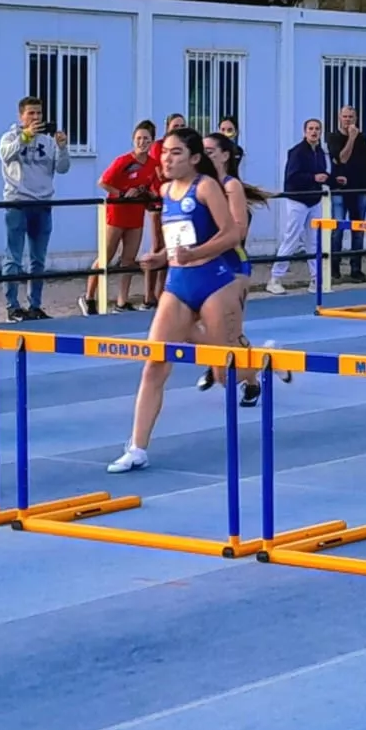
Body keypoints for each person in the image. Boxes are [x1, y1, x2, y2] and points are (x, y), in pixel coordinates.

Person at [107, 127, 246, 474]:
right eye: (165, 152)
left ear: (194, 158)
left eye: (176, 153)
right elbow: (175, 243)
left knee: (224, 372)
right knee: (154, 362)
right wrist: (160, 258)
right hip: (178, 284)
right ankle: (137, 448)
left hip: (214, 281)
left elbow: (231, 234)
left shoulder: (207, 186)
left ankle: (260, 368)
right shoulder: (165, 190)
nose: (167, 160)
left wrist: (195, 253)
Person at [195, 131, 277, 406]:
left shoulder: (231, 186)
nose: (204, 156)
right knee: (198, 323)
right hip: (206, 263)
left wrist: (211, 238)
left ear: (225, 156)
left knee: (231, 331)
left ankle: (253, 375)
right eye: (202, 151)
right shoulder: (200, 184)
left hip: (232, 265)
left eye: (210, 151)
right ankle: (223, 362)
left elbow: (238, 230)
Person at [0, 95, 70, 321]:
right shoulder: (10, 137)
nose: (36, 117)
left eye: (39, 113)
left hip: (43, 204)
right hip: (17, 203)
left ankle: (35, 306)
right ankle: (12, 307)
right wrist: (24, 137)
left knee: (38, 260)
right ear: (21, 116)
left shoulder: (48, 141)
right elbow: (5, 155)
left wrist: (62, 148)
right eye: (31, 113)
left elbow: (62, 168)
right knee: (14, 258)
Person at [84, 121, 160, 314]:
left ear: (152, 141)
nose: (142, 142)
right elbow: (103, 182)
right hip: (117, 214)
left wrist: (148, 195)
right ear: (133, 140)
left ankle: (122, 301)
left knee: (129, 259)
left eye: (146, 139)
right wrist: (122, 193)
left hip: (136, 215)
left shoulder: (153, 165)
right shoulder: (123, 161)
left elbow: (151, 187)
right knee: (106, 257)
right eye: (139, 138)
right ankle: (89, 298)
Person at [267, 118, 330, 294]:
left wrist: (334, 180)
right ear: (305, 132)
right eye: (311, 128)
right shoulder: (297, 152)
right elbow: (292, 177)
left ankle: (316, 278)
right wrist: (313, 178)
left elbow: (322, 174)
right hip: (297, 200)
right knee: (291, 238)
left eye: (317, 128)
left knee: (313, 240)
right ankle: (275, 278)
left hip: (315, 200)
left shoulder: (320, 152)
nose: (314, 131)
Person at [331, 105, 366, 281]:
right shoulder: (333, 138)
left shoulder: (362, 139)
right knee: (338, 229)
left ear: (356, 119)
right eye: (345, 117)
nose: (348, 120)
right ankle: (334, 268)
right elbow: (342, 158)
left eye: (351, 117)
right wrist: (351, 138)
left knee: (358, 230)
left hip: (359, 189)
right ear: (339, 118)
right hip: (340, 190)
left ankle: (356, 269)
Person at [144, 112, 188, 308]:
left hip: (177, 200)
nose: (179, 129)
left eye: (182, 126)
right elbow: (160, 172)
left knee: (171, 248)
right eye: (175, 126)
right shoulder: (159, 146)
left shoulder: (186, 147)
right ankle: (148, 295)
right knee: (157, 247)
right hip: (159, 201)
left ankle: (162, 292)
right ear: (168, 127)